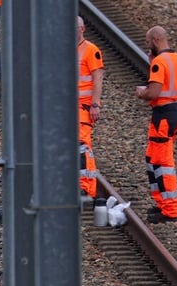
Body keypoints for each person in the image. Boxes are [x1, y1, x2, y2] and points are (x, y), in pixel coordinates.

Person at [135, 25, 177, 223]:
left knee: (163, 162)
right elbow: (170, 83)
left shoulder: (159, 63)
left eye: (148, 42)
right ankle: (162, 204)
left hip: (163, 115)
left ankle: (170, 210)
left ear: (156, 40)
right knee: (153, 158)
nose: (148, 46)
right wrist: (152, 62)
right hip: (175, 112)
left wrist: (142, 93)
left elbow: (154, 92)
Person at [77, 16, 104, 199]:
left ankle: (86, 187)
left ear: (83, 28)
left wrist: (95, 104)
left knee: (82, 146)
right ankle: (77, 185)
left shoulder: (91, 50)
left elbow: (98, 78)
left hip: (84, 107)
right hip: (69, 108)